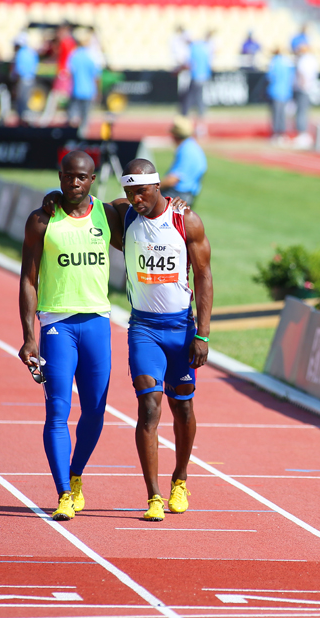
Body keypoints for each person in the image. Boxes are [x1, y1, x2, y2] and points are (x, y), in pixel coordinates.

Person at [19, 151, 124, 521]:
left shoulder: (108, 214)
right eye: (68, 177)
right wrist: (29, 336)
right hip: (57, 326)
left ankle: (76, 474)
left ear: (92, 180)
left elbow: (145, 207)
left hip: (97, 322)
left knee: (95, 412)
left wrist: (174, 202)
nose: (74, 183)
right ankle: (63, 492)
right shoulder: (42, 220)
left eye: (82, 177)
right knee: (57, 412)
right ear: (60, 177)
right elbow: (28, 280)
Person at [119, 158, 213, 521]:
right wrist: (52, 198)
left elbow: (204, 278)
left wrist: (202, 334)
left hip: (181, 328)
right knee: (148, 407)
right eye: (129, 191)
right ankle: (154, 496)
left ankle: (180, 478)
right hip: (143, 328)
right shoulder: (125, 216)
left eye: (141, 191)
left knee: (183, 407)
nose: (135, 198)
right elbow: (86, 206)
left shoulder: (184, 219)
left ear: (158, 187)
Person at [163, 116, 207, 205]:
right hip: (189, 194)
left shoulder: (185, 150)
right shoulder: (192, 146)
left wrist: (154, 188)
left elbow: (173, 179)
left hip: (179, 194)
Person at [67, 34, 100, 136]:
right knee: (85, 115)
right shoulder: (91, 57)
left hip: (76, 89)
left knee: (73, 114)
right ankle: (82, 134)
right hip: (88, 91)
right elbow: (96, 76)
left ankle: (73, 133)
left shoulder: (74, 56)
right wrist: (97, 91)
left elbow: (69, 72)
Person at [181, 33, 211, 137]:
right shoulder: (204, 49)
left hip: (195, 78)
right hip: (203, 78)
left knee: (189, 103)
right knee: (200, 103)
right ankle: (201, 129)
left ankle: (188, 127)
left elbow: (189, 64)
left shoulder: (193, 49)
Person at [265, 48, 293, 144]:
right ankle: (282, 134)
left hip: (275, 91)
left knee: (276, 114)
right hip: (285, 92)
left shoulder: (274, 62)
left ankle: (276, 134)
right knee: (282, 114)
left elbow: (270, 76)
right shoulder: (288, 62)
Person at [293, 43, 318, 149]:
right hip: (309, 88)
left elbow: (301, 73)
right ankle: (303, 133)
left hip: (303, 89)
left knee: (301, 112)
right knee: (304, 111)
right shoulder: (312, 59)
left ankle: (302, 134)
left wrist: (302, 85)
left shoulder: (304, 60)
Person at [12, 32, 39, 124]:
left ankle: (23, 121)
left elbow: (18, 70)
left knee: (22, 101)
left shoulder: (21, 53)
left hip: (23, 80)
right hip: (31, 79)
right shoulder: (32, 52)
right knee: (27, 100)